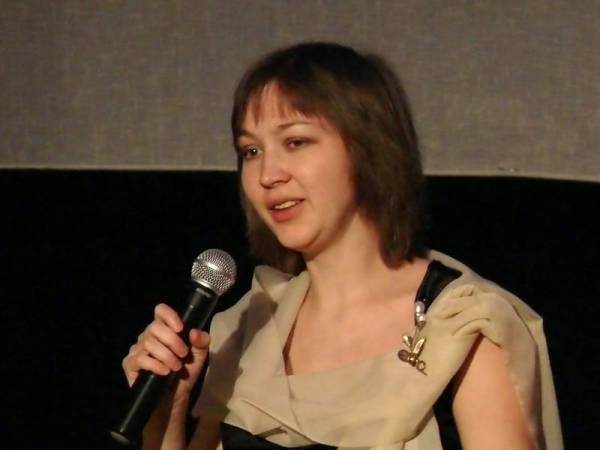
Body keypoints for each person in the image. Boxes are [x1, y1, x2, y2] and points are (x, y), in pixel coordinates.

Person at [122, 42, 562, 450]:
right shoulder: (252, 326)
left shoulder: (461, 324)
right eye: (251, 151)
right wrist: (168, 413)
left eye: (295, 142)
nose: (268, 174)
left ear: (368, 148)